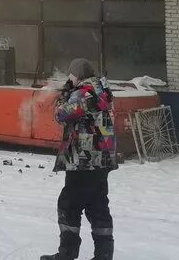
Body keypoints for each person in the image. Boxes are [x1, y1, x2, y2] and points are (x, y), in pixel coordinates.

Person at [40, 58, 117, 260]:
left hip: (83, 160)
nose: (70, 78)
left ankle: (67, 253)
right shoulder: (102, 91)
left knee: (68, 204)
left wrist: (64, 95)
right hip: (101, 160)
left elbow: (60, 114)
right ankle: (104, 255)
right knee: (98, 206)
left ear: (78, 75)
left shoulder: (83, 93)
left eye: (71, 75)